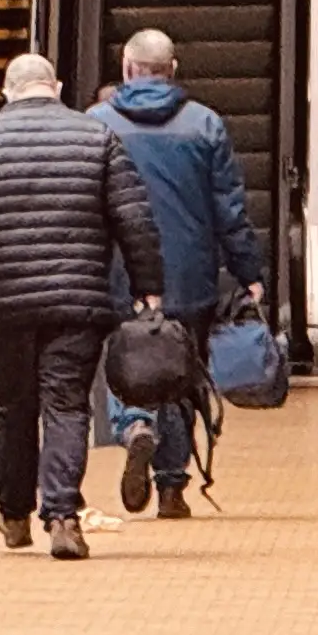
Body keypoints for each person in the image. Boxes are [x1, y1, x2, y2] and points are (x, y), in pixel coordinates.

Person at [0, 52, 165, 561]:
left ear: (8, 91)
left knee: (15, 404)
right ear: (58, 86)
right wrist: (147, 285)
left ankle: (13, 514)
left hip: (4, 303)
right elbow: (134, 218)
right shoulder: (97, 138)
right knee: (66, 405)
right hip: (77, 300)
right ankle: (64, 516)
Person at [94, 27, 263, 518]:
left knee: (123, 358)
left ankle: (132, 424)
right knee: (179, 370)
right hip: (190, 274)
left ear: (127, 68)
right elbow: (229, 209)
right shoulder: (205, 124)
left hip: (117, 269)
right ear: (174, 69)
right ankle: (171, 487)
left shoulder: (97, 124)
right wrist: (248, 270)